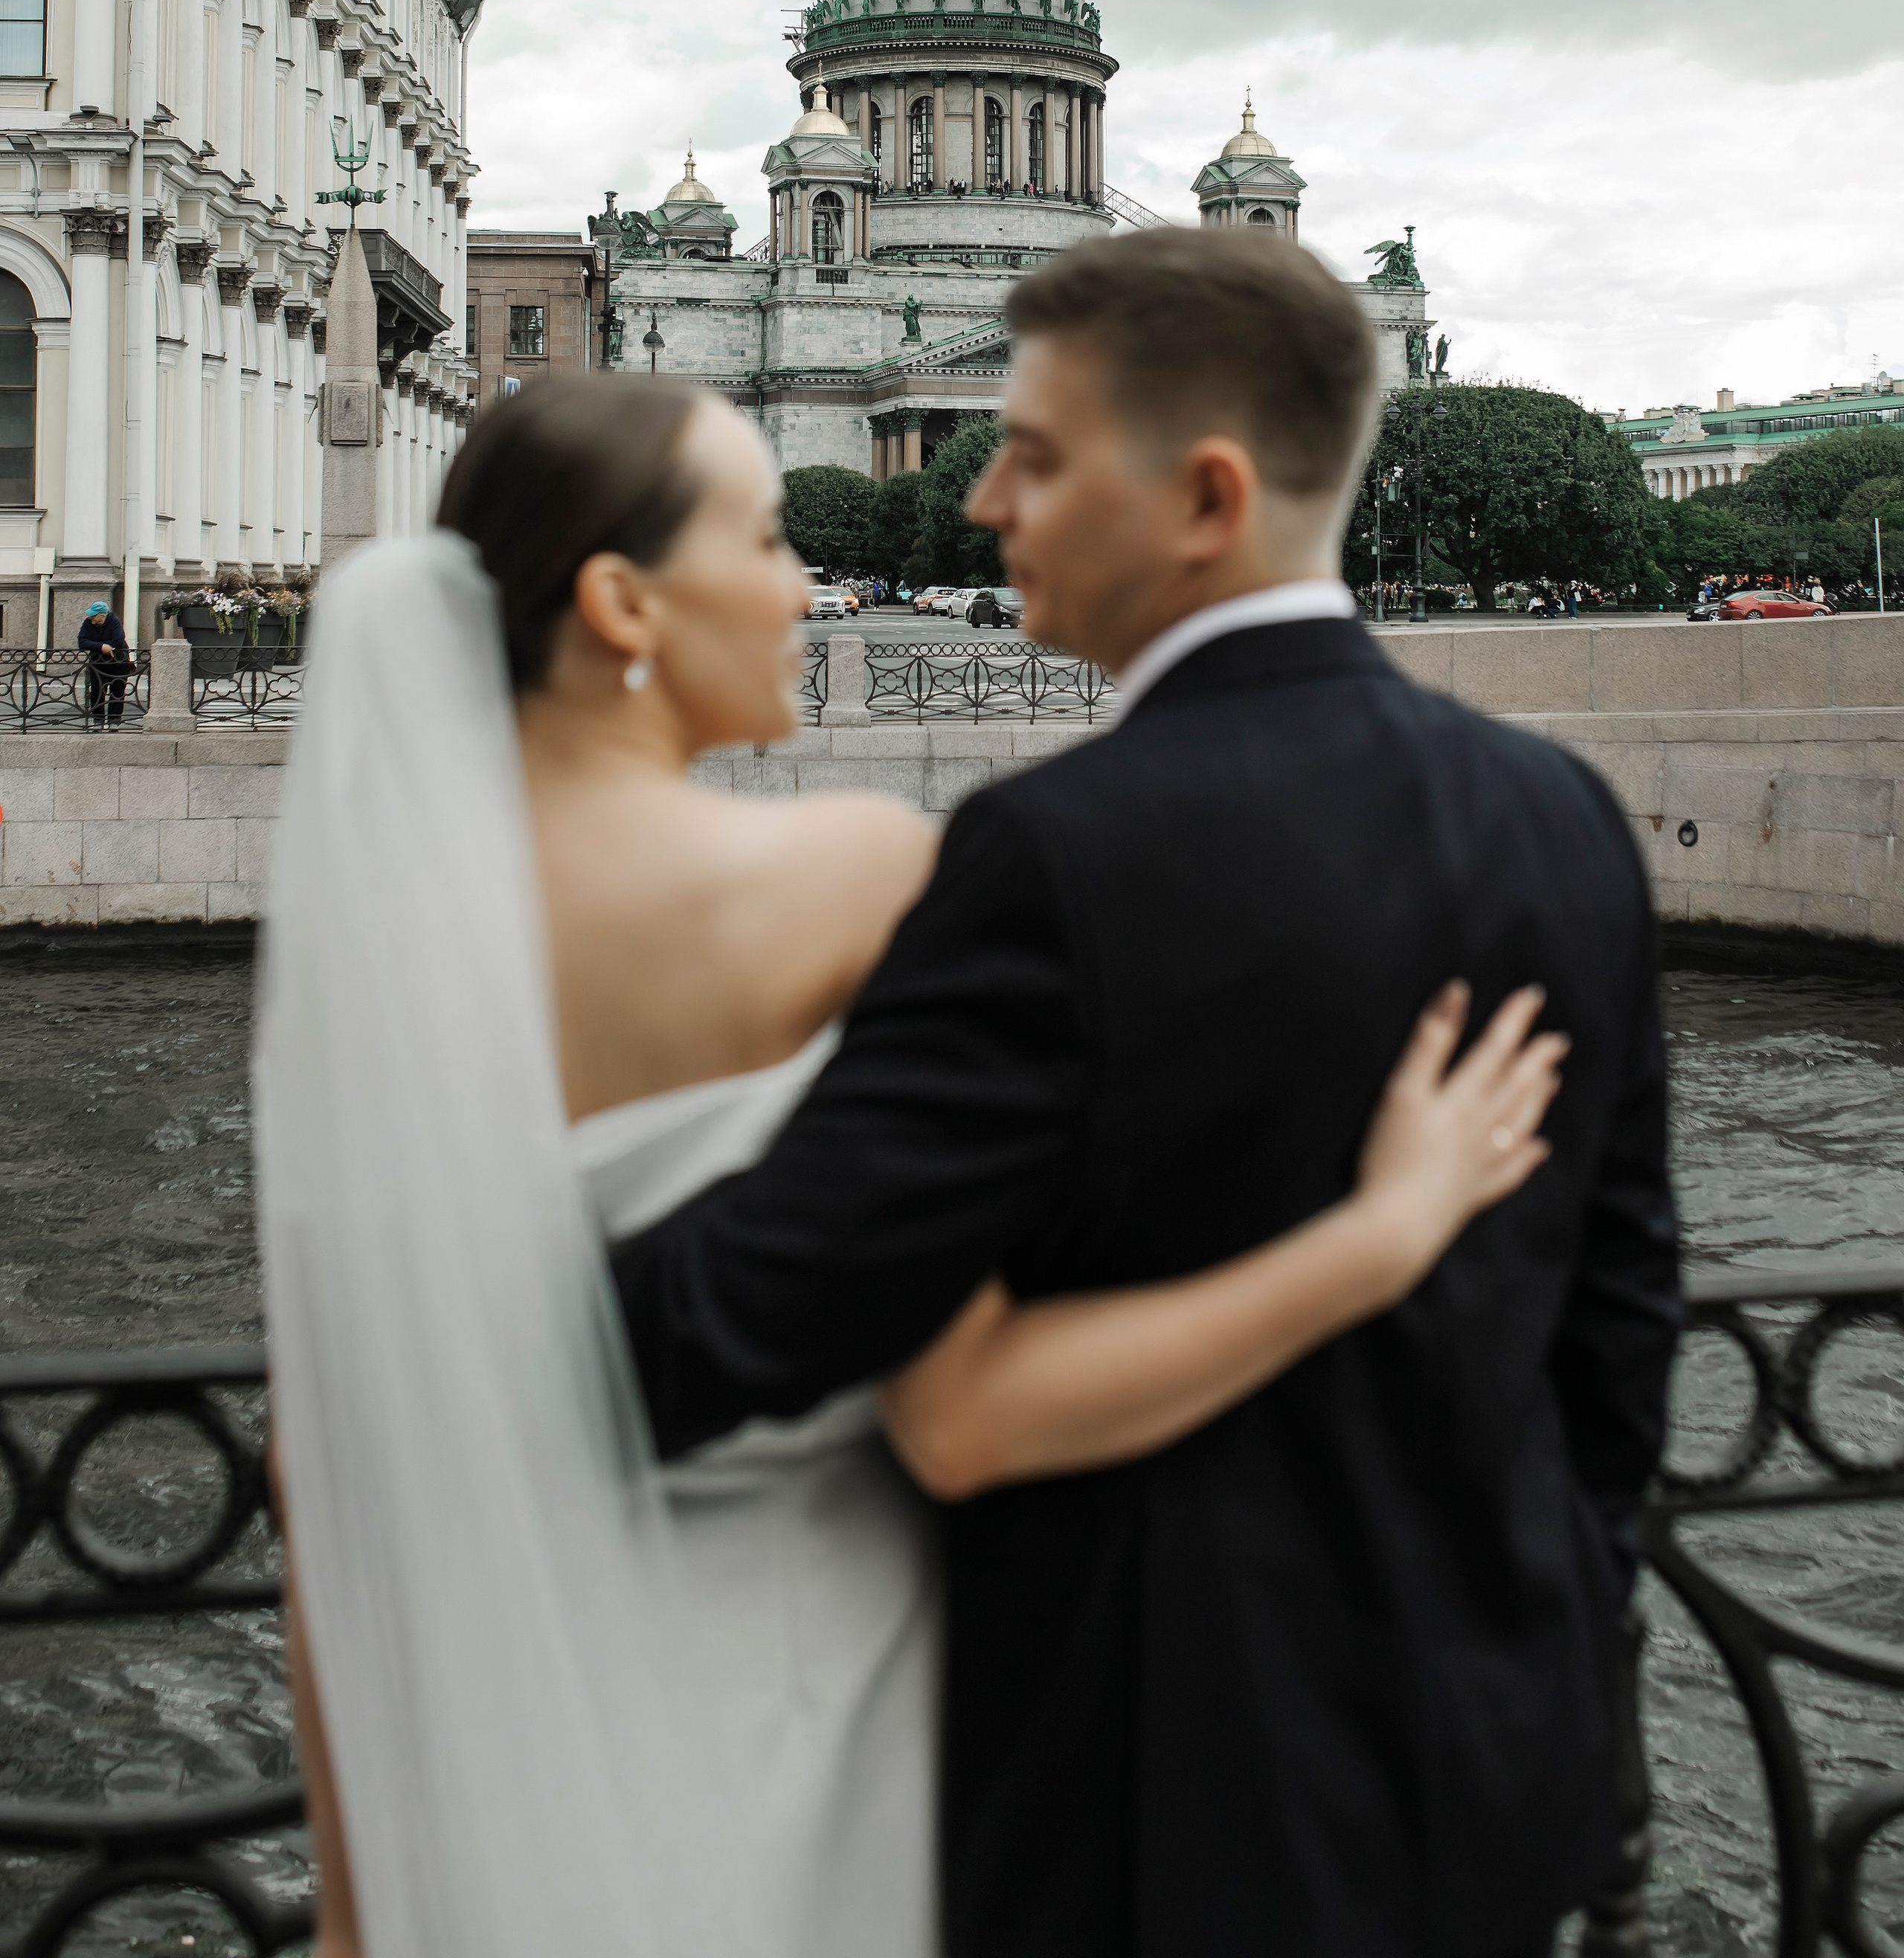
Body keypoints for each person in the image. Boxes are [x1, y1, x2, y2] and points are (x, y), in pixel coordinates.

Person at [260, 370, 1567, 1958]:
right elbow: (965, 1414)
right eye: (766, 537)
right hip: (802, 1707)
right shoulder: (848, 872)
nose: (807, 585)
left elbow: (317, 1467)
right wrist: (1381, 1232)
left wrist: (351, 1897)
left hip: (476, 1769)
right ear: (622, 604)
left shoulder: (374, 959)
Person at [613, 228, 1679, 1958]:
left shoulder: (1053, 852)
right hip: (1494, 1776)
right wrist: (1535, 1621)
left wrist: (430, 1338)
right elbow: (1619, 1326)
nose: (978, 505)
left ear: (1200, 494)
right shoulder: (1554, 813)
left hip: (1151, 1813)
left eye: (1030, 457)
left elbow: (751, 1307)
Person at [77, 596, 131, 732]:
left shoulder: (114, 622)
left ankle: (114, 720)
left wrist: (103, 646)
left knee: (117, 691)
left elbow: (118, 641)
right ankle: (98, 720)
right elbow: (82, 642)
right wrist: (102, 647)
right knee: (97, 691)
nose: (91, 618)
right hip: (98, 661)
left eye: (93, 616)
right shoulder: (88, 623)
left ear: (102, 616)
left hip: (119, 661)